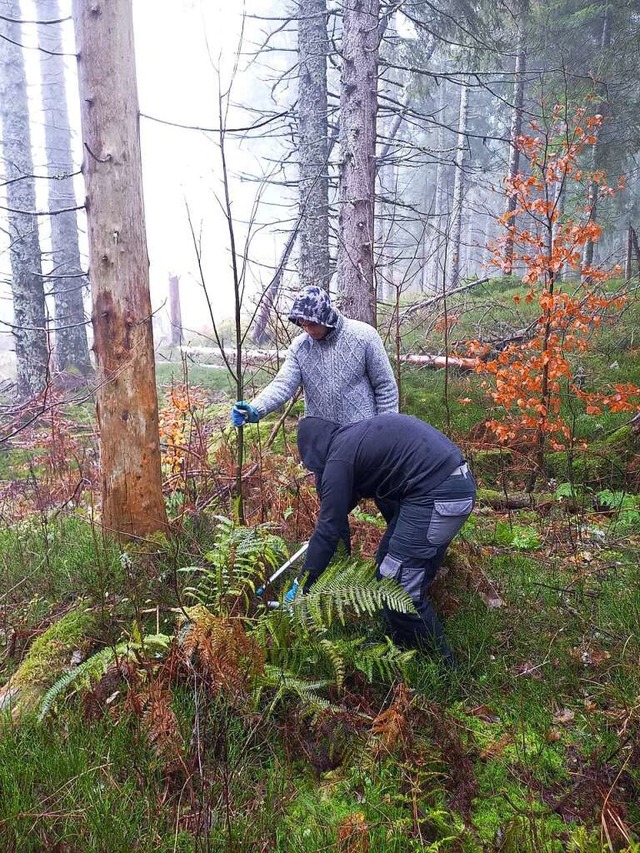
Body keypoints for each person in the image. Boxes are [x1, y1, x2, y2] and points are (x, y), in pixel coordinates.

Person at [287, 413, 476, 665]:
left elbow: (329, 528)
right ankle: (401, 650)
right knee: (387, 562)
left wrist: (304, 583)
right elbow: (358, 511)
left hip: (439, 494)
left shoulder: (339, 460)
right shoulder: (353, 442)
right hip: (448, 485)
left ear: (313, 454)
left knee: (396, 585)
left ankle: (444, 669)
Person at [231, 285, 398, 427]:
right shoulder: (300, 347)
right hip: (322, 439)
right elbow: (282, 385)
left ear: (326, 316)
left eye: (312, 324)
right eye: (303, 325)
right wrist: (255, 409)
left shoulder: (364, 336)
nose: (308, 330)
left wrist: (384, 431)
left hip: (363, 435)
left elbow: (386, 387)